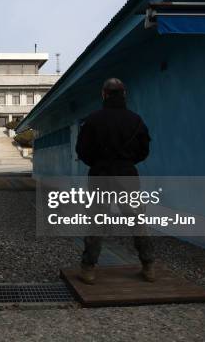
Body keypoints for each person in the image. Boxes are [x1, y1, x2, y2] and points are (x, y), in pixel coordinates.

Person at [75, 78, 155, 284]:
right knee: (137, 220)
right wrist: (127, 162)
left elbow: (82, 151)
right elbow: (144, 151)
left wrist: (98, 162)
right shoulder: (136, 120)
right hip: (127, 175)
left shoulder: (92, 120)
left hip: (100, 174)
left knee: (96, 221)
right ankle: (148, 267)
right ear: (124, 94)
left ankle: (88, 269)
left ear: (104, 94)